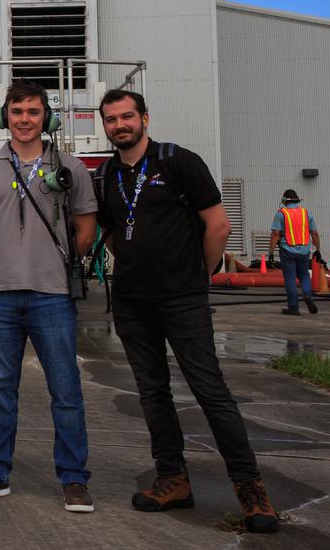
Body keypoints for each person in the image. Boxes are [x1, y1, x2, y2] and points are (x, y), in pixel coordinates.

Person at [97, 89, 278, 533]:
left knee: (209, 390)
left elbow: (219, 226)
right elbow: (116, 235)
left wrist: (199, 274)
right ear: (104, 126)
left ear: (144, 118)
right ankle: (172, 478)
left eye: (127, 117)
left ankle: (250, 488)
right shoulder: (104, 176)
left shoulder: (178, 162)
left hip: (183, 299)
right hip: (133, 302)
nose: (120, 125)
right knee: (153, 392)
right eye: (111, 119)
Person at [0, 80, 97, 513]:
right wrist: (8, 260)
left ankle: (73, 479)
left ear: (47, 118)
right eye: (16, 111)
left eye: (33, 112)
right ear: (5, 117)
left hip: (52, 295)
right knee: (0, 390)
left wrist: (56, 262)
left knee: (66, 391)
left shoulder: (69, 167)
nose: (24, 120)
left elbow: (86, 228)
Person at [268, 189, 321, 315]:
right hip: (304, 251)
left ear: (284, 201)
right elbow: (314, 232)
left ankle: (293, 308)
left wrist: (270, 251)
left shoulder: (281, 214)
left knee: (290, 278)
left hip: (287, 250)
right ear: (298, 200)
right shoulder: (306, 213)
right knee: (304, 275)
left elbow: (276, 233)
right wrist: (317, 249)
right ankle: (307, 295)